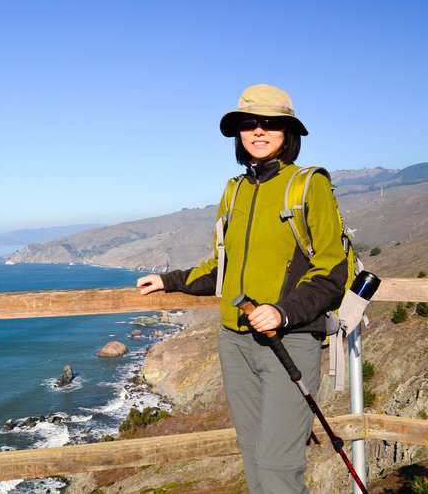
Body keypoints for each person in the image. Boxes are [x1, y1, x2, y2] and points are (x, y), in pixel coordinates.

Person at [137, 84, 348, 494]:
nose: (258, 131)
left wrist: (283, 311)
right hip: (234, 343)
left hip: (289, 340)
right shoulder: (234, 190)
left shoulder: (309, 185)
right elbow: (222, 266)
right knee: (252, 454)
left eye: (271, 123)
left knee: (277, 466)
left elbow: (331, 269)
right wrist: (170, 280)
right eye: (249, 123)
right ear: (239, 133)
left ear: (289, 133)